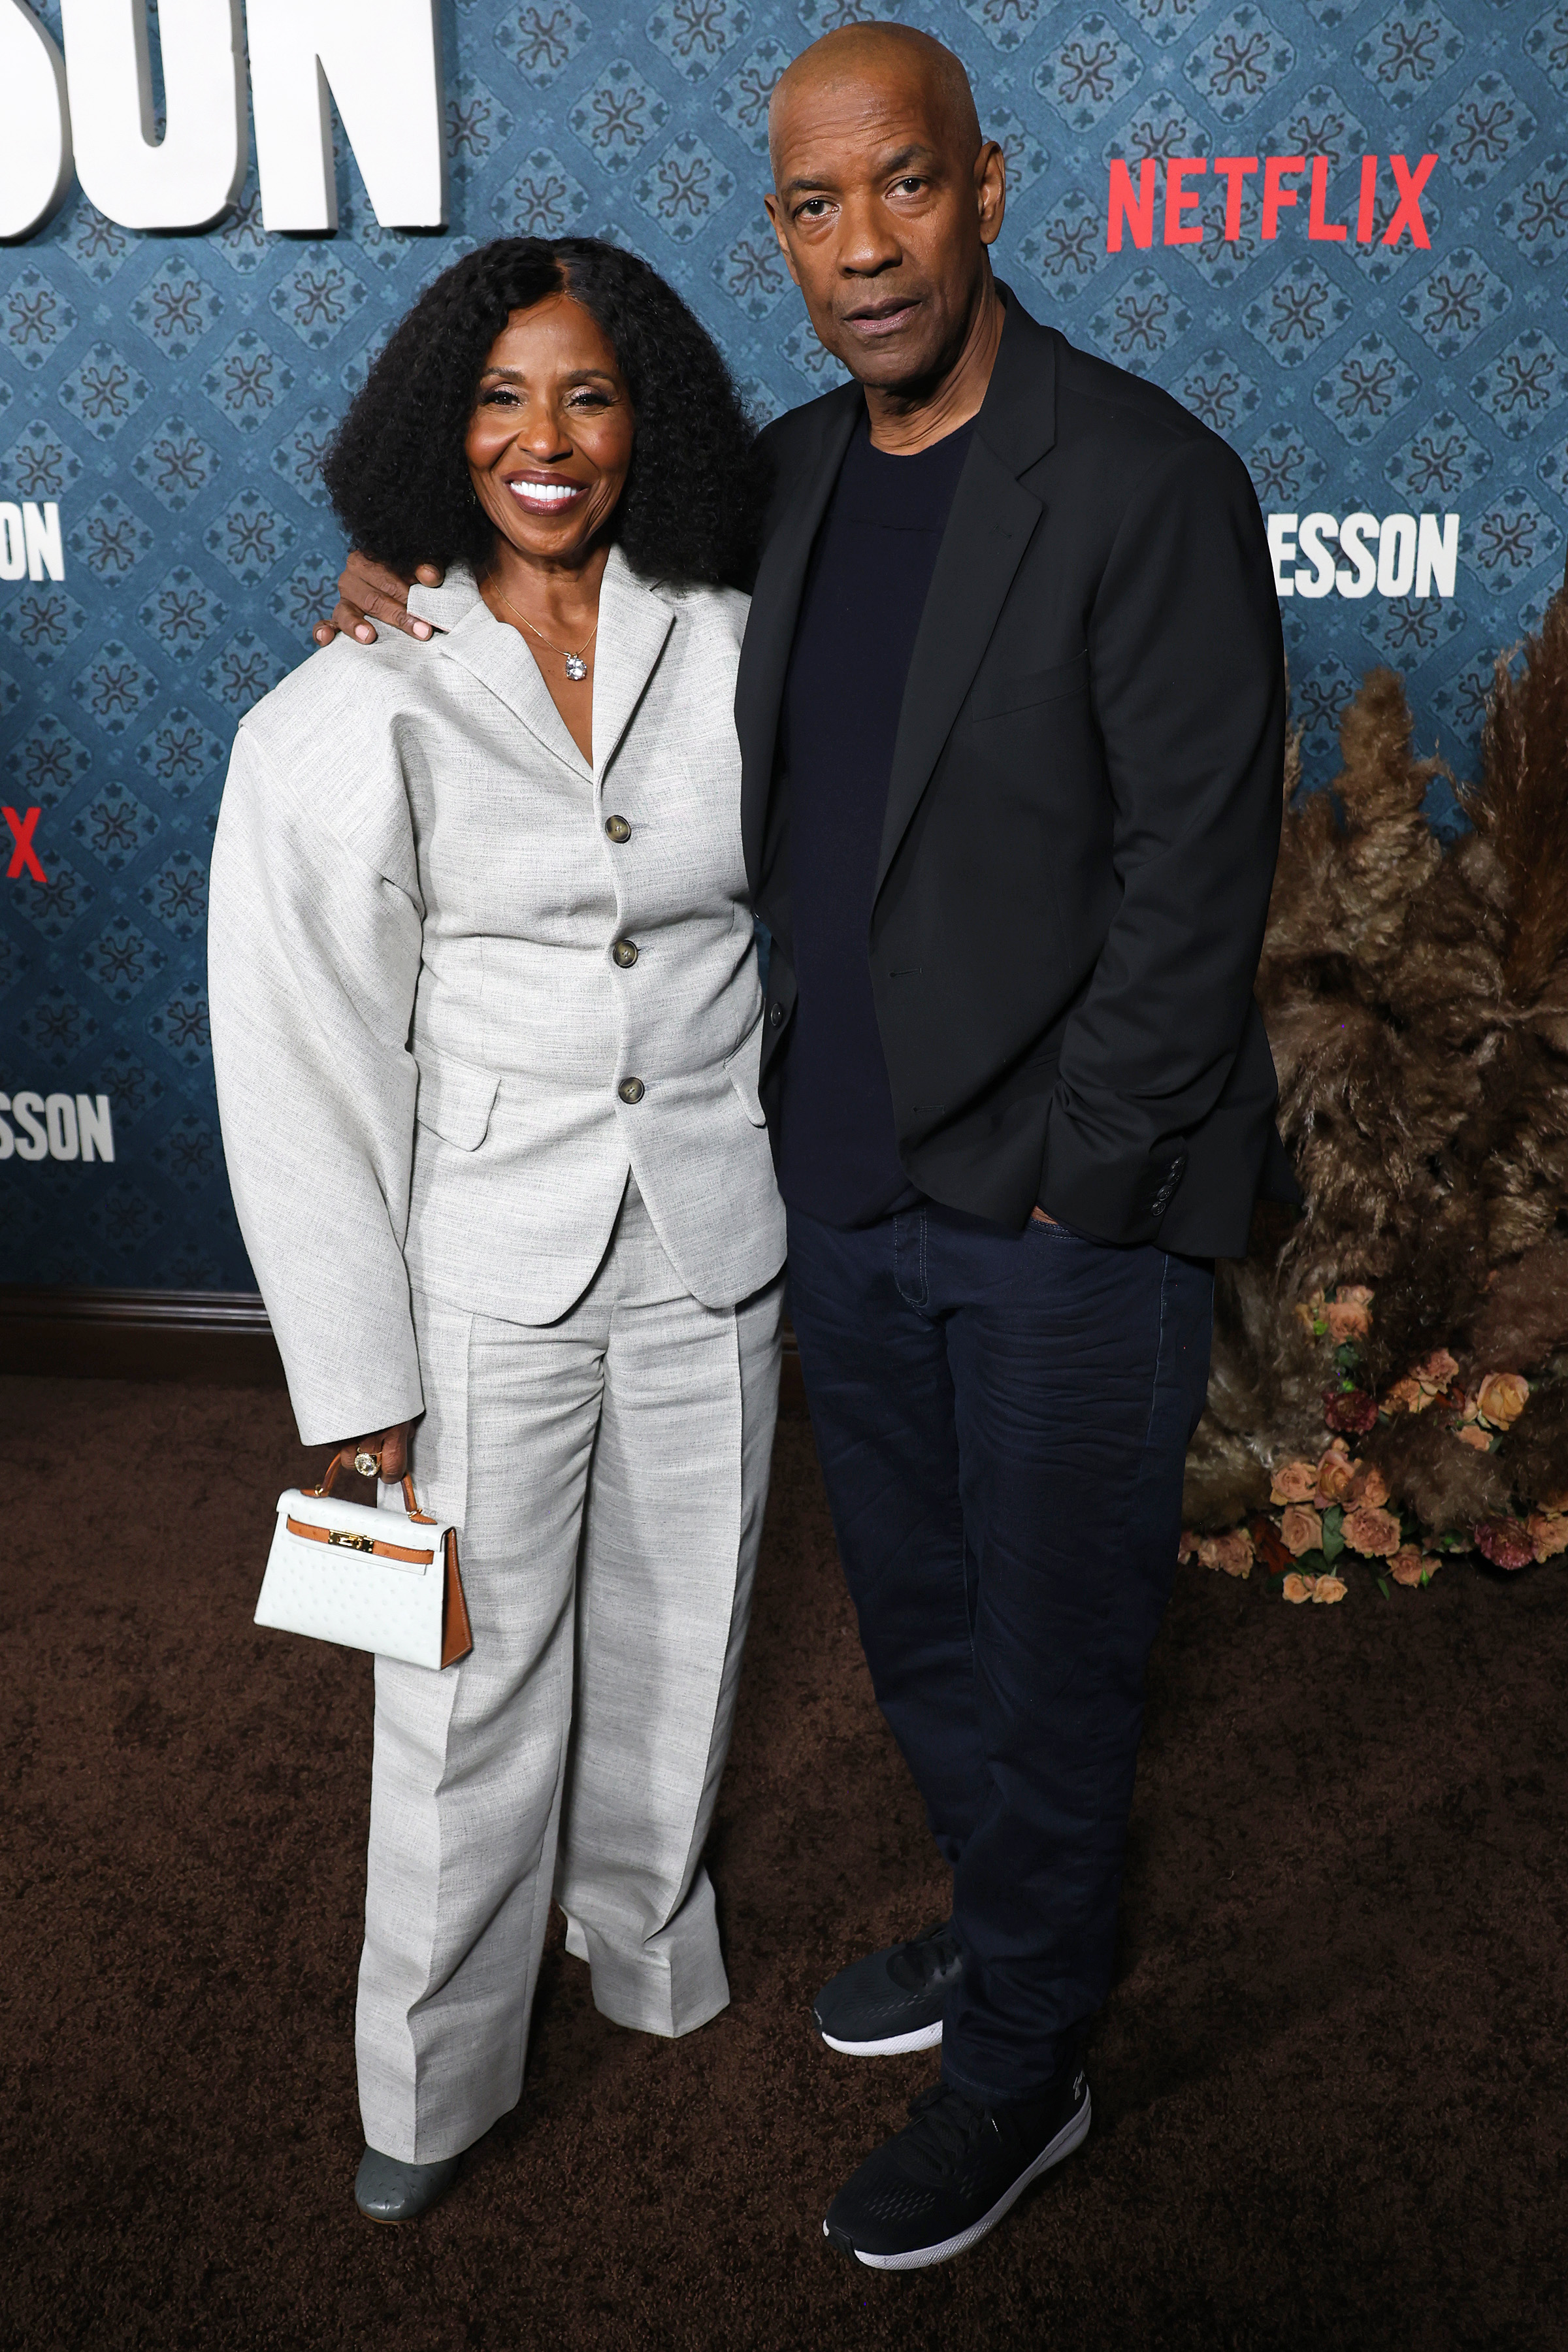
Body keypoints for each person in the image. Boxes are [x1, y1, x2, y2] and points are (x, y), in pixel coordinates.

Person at [321, 24, 1291, 2272]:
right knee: (932, 1634)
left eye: (906, 189)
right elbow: (563, 590)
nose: (863, 247)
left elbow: (1194, 879)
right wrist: (392, 579)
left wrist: (1084, 1179)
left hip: (1062, 1226)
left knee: (1059, 1661)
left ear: (990, 187)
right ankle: (1000, 1932)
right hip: (833, 1194)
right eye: (813, 208)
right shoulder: (780, 483)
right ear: (777, 232)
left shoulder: (1147, 479)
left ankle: (1030, 2063)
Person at [210, 237, 786, 2227]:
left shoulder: (734, 629)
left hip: (719, 1230)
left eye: (593, 396)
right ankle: (434, 2078)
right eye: (502, 399)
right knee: (461, 1680)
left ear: (658, 424)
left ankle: (642, 1946)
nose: (549, 442)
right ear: (437, 427)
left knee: (690, 1622)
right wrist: (358, 1377)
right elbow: (299, 1054)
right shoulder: (353, 696)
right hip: (490, 1269)